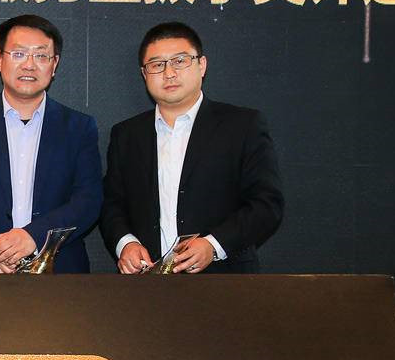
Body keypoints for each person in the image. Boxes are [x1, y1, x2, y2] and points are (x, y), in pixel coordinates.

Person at [100, 21, 284, 274]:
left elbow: (266, 204)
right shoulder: (127, 134)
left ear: (202, 65)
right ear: (144, 74)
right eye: (157, 65)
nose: (169, 73)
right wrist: (126, 243)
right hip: (146, 282)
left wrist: (213, 245)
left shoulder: (242, 125)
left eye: (179, 61)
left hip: (226, 279)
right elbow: (112, 204)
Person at [0, 14, 102, 273]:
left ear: (54, 64)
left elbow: (88, 200)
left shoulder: (79, 127)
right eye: (19, 54)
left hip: (59, 271)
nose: (29, 65)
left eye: (41, 55)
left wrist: (34, 236)